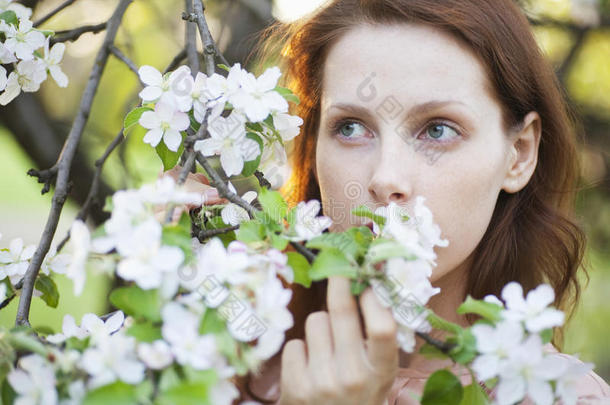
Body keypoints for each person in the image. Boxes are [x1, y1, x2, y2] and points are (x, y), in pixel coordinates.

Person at [167, 0, 610, 403]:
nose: (385, 179)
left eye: (437, 129)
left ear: (520, 154)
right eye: (351, 128)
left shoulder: (559, 396)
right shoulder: (221, 353)